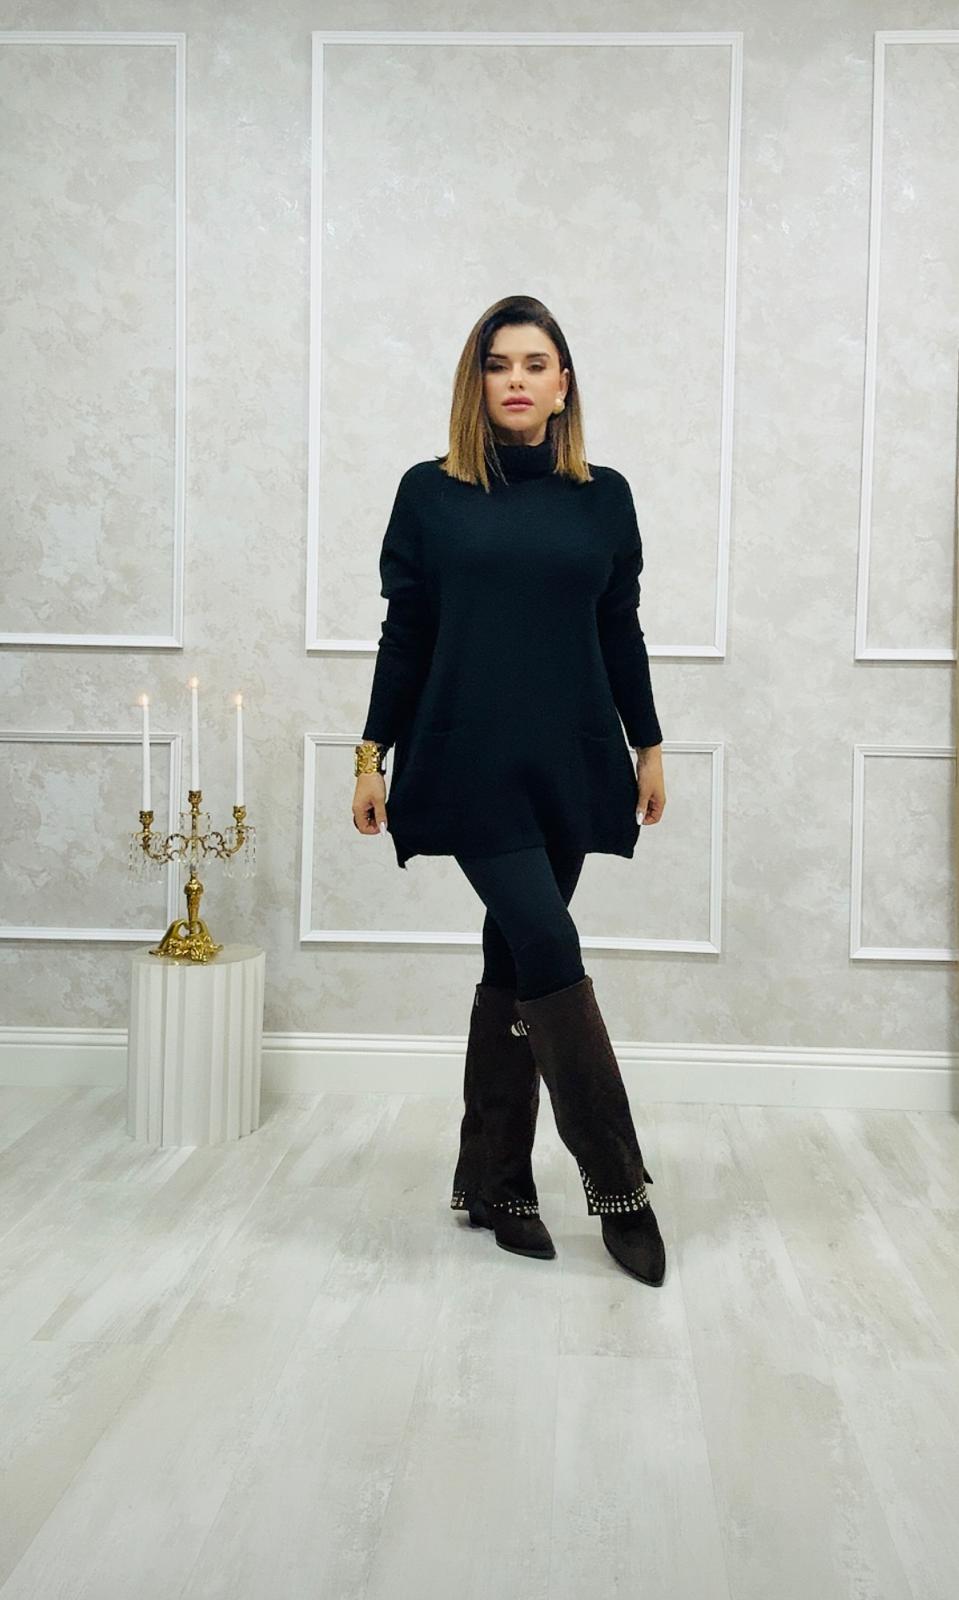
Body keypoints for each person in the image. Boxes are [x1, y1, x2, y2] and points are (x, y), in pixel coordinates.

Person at [351, 295, 667, 1288]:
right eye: (498, 364)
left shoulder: (603, 498)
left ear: (563, 384)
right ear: (475, 382)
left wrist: (648, 743)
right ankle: (618, 1187)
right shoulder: (430, 493)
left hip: (571, 757)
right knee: (549, 944)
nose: (517, 380)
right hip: (467, 761)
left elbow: (618, 628)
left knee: (513, 961)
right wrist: (370, 752)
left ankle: (492, 1179)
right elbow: (406, 633)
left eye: (535, 363)